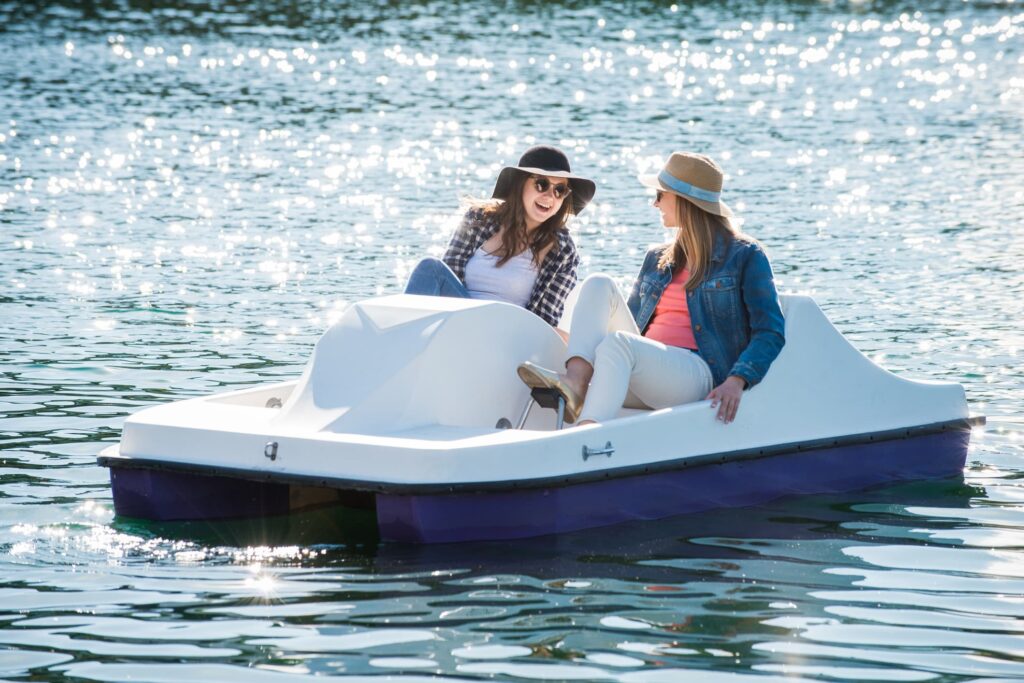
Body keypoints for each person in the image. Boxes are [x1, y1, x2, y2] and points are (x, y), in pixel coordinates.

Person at [517, 151, 785, 425]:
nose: (654, 203)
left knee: (619, 344)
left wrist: (737, 380)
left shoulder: (744, 255)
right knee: (599, 283)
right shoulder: (658, 258)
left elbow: (770, 331)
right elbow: (631, 328)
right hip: (643, 370)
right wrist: (578, 340)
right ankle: (575, 382)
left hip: (698, 374)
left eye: (660, 195)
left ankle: (587, 436)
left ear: (684, 201)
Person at [404, 145, 595, 326]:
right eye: (541, 184)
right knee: (430, 268)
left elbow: (543, 321)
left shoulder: (562, 249)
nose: (550, 196)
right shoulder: (478, 219)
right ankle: (402, 340)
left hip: (507, 334)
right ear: (520, 185)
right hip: (460, 320)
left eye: (559, 190)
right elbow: (445, 282)